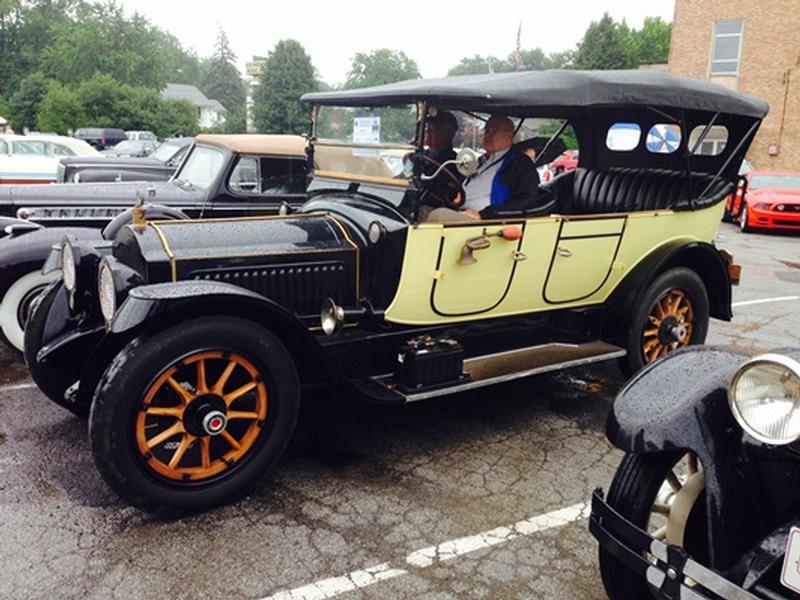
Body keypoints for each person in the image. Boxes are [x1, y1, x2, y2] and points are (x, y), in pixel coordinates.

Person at [426, 115, 539, 222]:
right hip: (461, 211)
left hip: (488, 222)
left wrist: (485, 214)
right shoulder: (480, 160)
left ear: (509, 136)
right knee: (421, 210)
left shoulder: (521, 164)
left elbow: (527, 200)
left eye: (493, 131)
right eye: (486, 130)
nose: (487, 135)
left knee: (439, 216)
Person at [417, 110, 460, 218]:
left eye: (432, 130)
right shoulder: (423, 155)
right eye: (427, 130)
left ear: (448, 135)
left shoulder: (453, 162)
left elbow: (444, 197)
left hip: (430, 208)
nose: (427, 133)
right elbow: (405, 176)